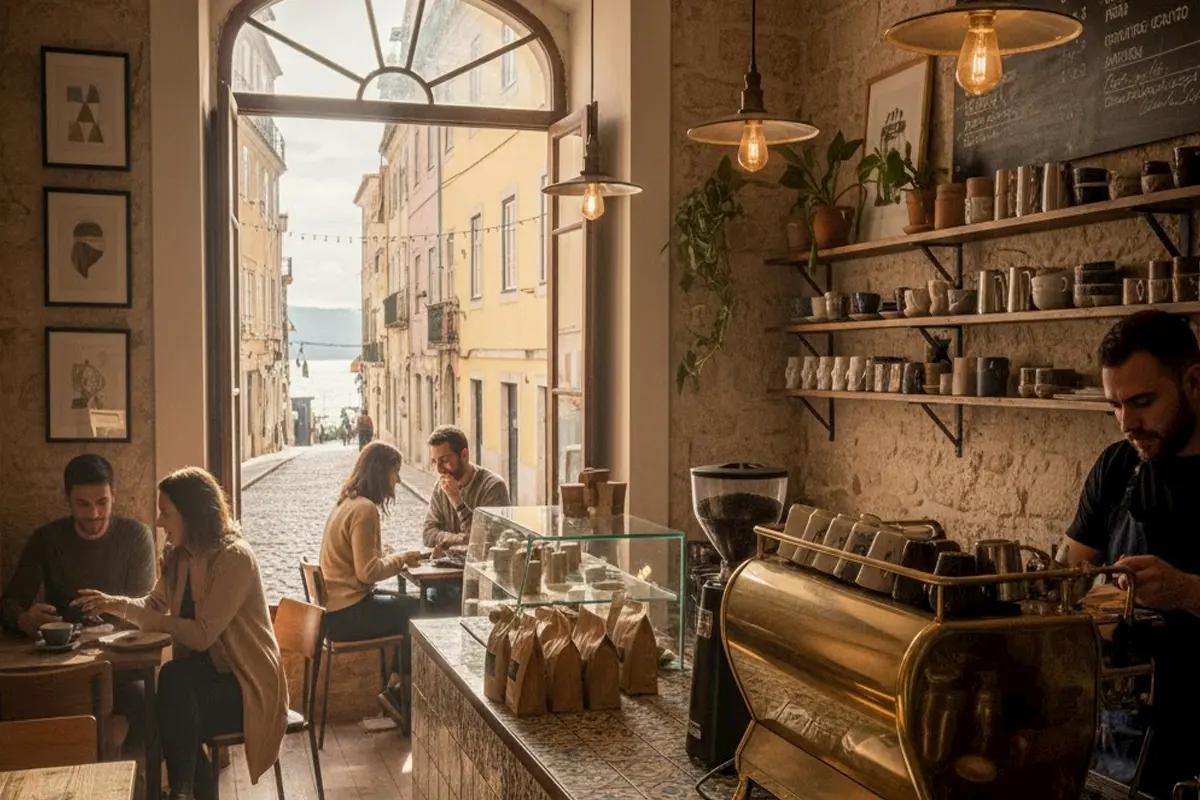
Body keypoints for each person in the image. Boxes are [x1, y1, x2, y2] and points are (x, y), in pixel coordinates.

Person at [75, 467, 288, 800]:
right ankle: (183, 792)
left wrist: (148, 619)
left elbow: (202, 635)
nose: (159, 521)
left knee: (169, 701)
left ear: (192, 513)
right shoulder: (178, 557)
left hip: (246, 683)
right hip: (204, 676)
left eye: (165, 512)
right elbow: (154, 604)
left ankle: (181, 792)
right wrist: (111, 603)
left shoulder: (235, 559)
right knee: (171, 691)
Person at [1064, 310, 1200, 797]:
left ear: (1193, 382)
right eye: (1115, 406)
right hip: (1118, 732)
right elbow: (1073, 577)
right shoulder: (1118, 466)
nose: (1128, 423)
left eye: (1143, 402)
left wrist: (1187, 590)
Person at [319, 441, 420, 729]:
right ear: (380, 471)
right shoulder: (365, 510)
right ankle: (397, 692)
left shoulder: (347, 503)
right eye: (395, 471)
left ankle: (396, 688)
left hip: (336, 614)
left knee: (408, 606)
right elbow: (367, 573)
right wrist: (401, 558)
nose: (398, 479)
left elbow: (360, 562)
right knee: (419, 611)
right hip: (348, 615)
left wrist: (386, 554)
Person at [1, 454, 156, 637]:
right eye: (83, 504)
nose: (93, 514)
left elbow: (147, 608)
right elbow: (8, 604)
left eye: (102, 502)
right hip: (66, 646)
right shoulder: (46, 539)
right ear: (67, 498)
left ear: (113, 495)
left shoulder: (136, 536)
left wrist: (111, 606)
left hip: (125, 645)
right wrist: (25, 620)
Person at [422, 424, 510, 549]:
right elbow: (427, 534)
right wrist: (462, 539)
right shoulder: (440, 486)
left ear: (464, 455)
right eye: (435, 462)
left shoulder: (493, 486)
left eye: (445, 460)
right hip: (447, 566)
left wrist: (457, 501)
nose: (439, 469)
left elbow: (486, 541)